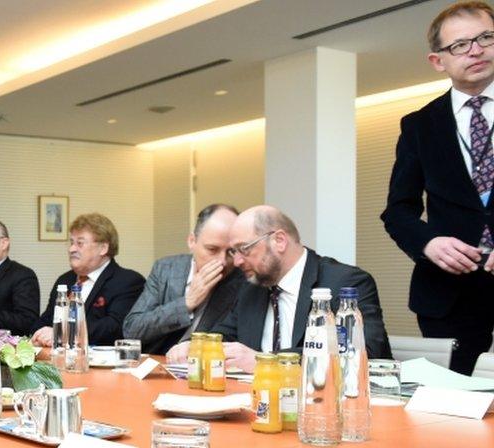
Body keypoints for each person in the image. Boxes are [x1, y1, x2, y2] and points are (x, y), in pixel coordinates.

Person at [381, 1, 494, 375]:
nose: (475, 50)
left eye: (485, 38)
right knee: (452, 411)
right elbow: (398, 210)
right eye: (460, 45)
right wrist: (428, 243)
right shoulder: (418, 126)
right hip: (448, 297)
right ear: (437, 60)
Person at [168, 206, 391, 371]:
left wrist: (265, 361)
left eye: (243, 249)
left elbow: (362, 353)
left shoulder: (345, 283)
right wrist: (196, 346)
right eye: (233, 253)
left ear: (279, 241)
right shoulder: (251, 288)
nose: (236, 262)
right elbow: (224, 336)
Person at [123, 204, 246, 354]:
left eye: (231, 251)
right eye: (212, 249)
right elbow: (132, 330)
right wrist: (186, 304)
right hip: (157, 364)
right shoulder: (166, 269)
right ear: (192, 241)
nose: (222, 261)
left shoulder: (244, 281)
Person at [31, 213, 145, 347]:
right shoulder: (65, 280)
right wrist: (37, 335)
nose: (71, 249)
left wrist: (63, 333)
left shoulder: (128, 281)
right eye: (71, 243)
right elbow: (47, 319)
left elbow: (115, 327)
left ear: (103, 248)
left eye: (80, 243)